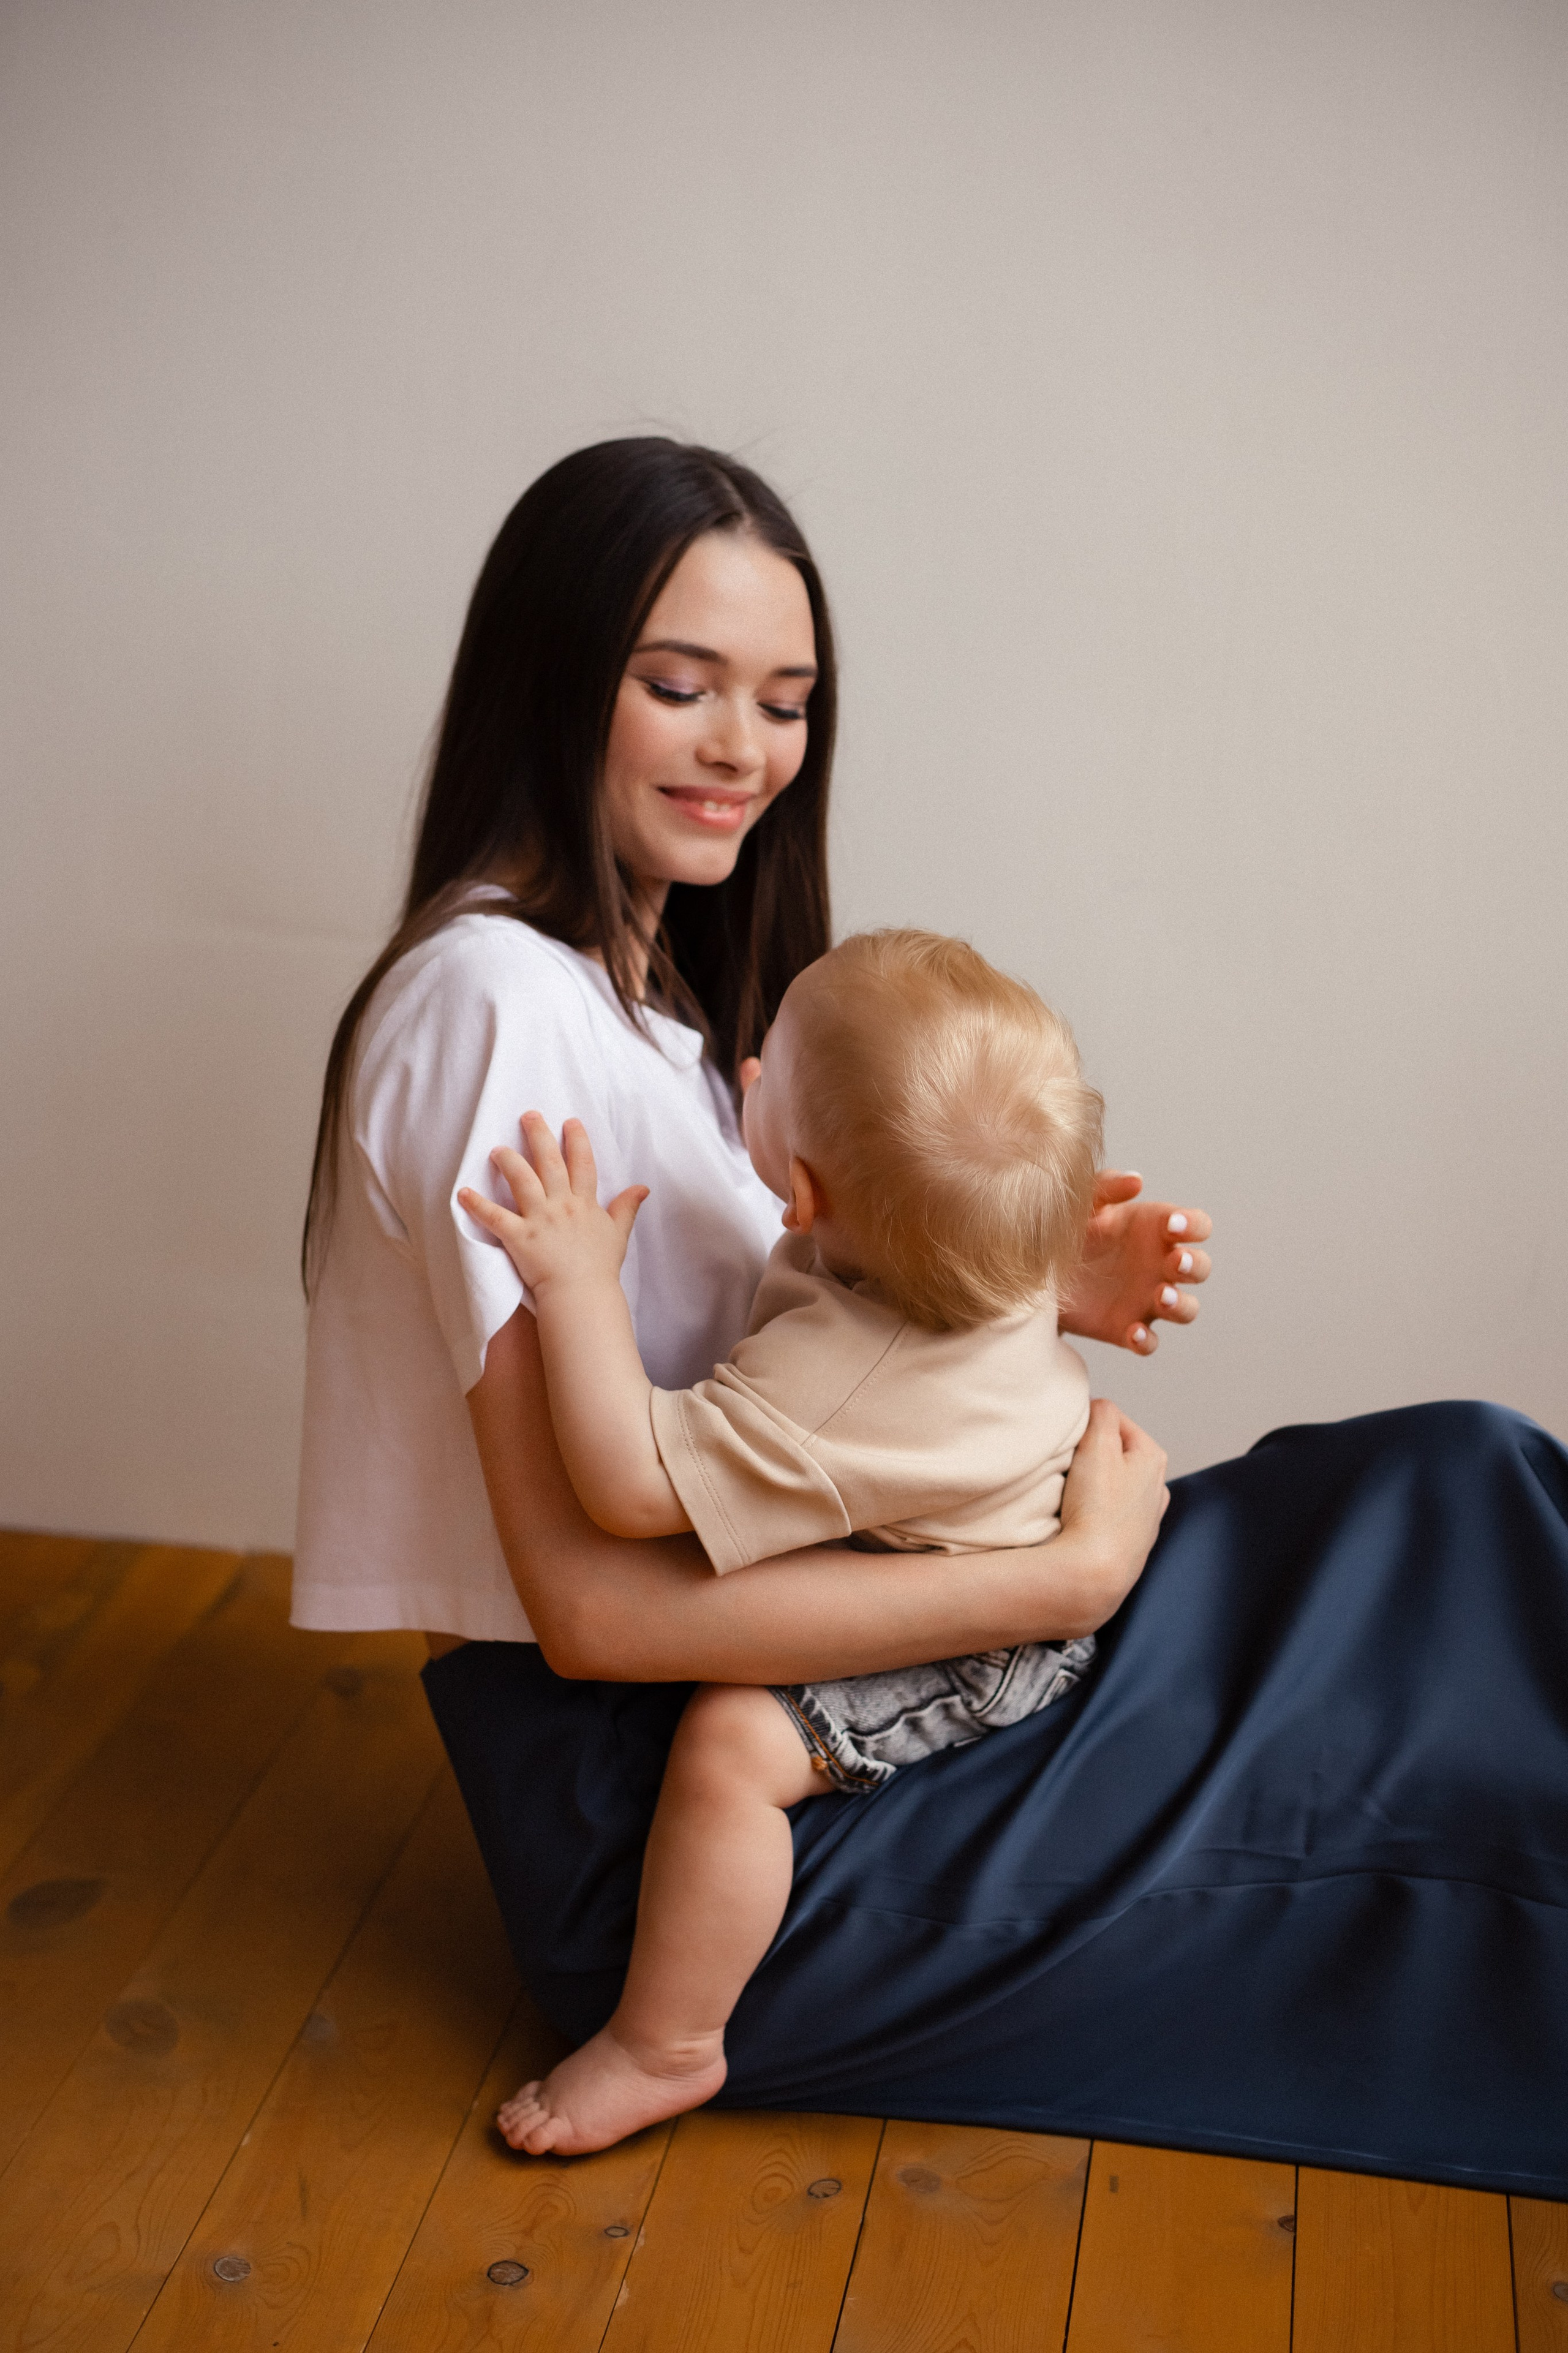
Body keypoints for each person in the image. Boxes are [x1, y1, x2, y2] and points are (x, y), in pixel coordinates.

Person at [295, 437, 1568, 2199]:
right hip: (678, 1792)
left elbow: (821, 1324)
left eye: (787, 700)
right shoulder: (495, 1009)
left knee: (1459, 1490)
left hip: (877, 1612)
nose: (745, 748)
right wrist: (1063, 1582)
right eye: (681, 686)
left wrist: (1036, 1287)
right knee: (1449, 1723)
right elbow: (591, 1611)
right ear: (550, 673)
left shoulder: (658, 1004)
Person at [459, 929, 1109, 2151]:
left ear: (803, 1193)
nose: (743, 1066)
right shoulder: (970, 1242)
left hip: (981, 1640)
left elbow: (627, 1484)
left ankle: (666, 2042)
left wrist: (579, 1284)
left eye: (768, 1076)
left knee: (727, 1745)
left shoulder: (834, 1378)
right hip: (988, 1503)